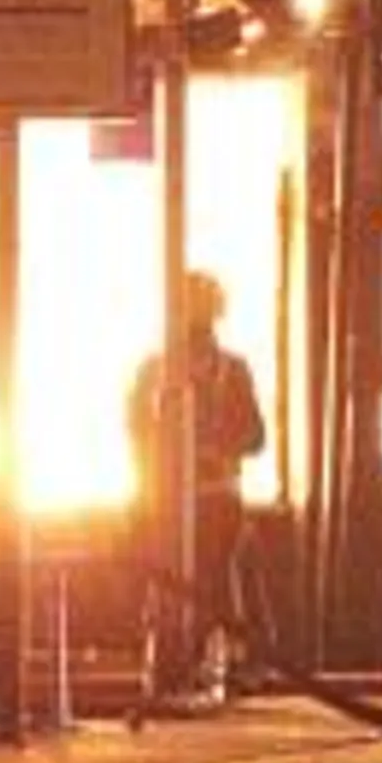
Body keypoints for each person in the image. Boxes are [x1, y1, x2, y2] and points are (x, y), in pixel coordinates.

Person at [127, 270, 266, 687]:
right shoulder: (153, 370)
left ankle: (230, 661)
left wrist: (214, 450)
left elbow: (255, 435)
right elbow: (135, 428)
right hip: (167, 499)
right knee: (166, 582)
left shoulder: (232, 371)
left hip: (216, 499)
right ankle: (169, 657)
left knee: (221, 583)